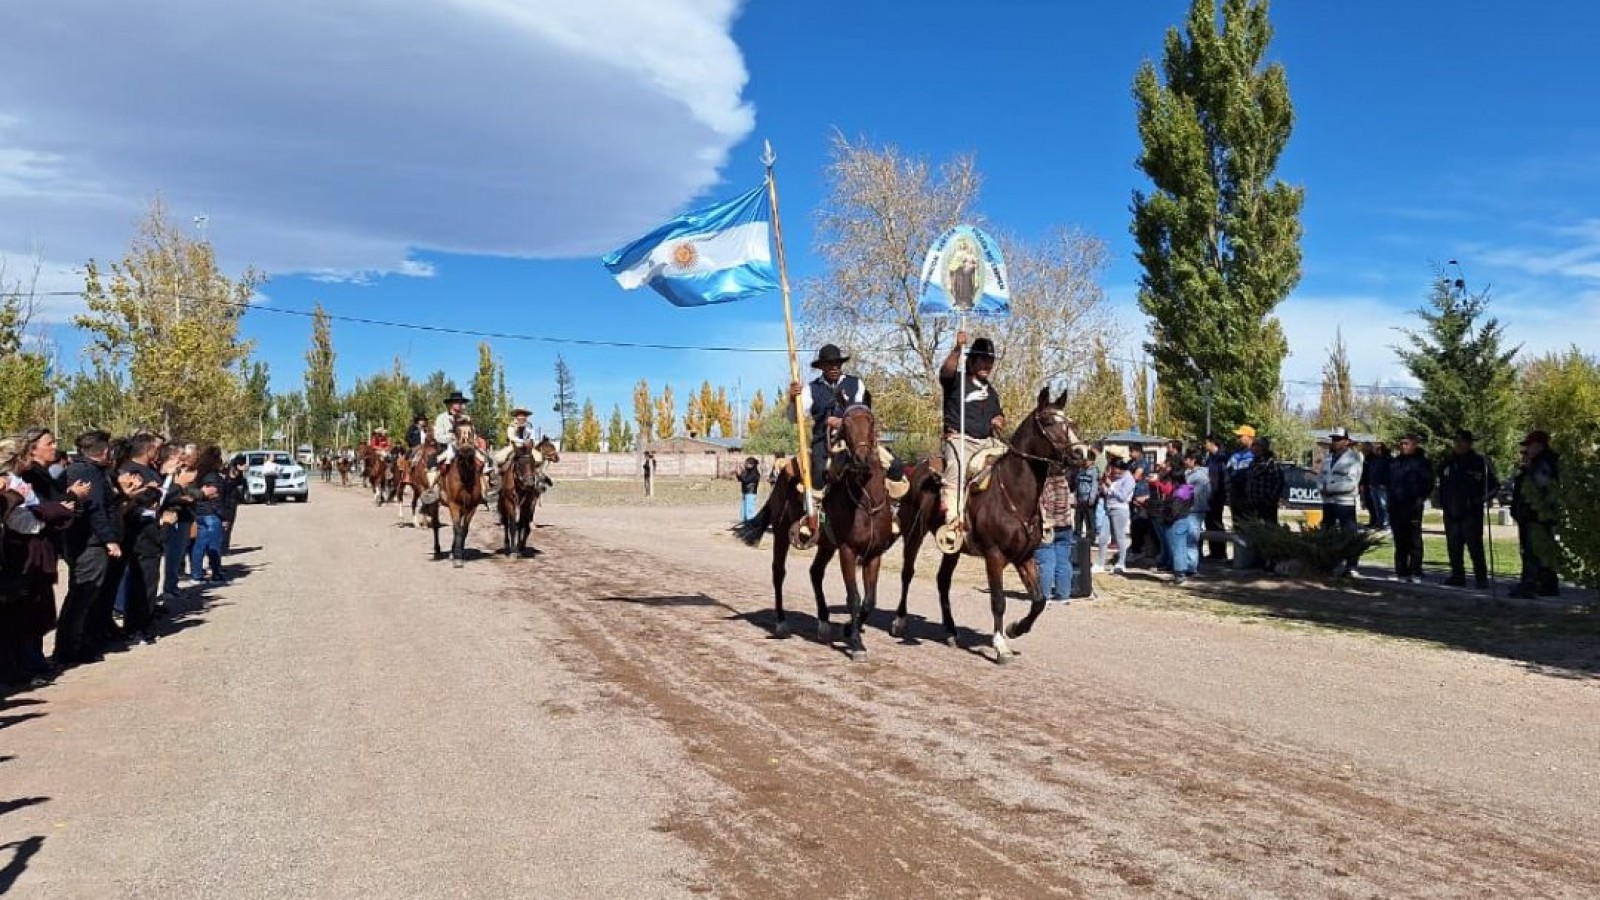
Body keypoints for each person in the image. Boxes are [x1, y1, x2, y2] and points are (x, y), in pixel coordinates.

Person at [1, 432, 85, 686]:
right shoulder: (9, 483)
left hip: (36, 551)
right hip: (20, 553)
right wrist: (55, 510)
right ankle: (18, 667)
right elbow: (22, 520)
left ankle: (28, 663)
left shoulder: (22, 480)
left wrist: (51, 511)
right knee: (20, 613)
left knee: (34, 610)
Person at [787, 343, 905, 498]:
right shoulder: (810, 388)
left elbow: (861, 410)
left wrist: (842, 422)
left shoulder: (856, 383)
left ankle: (890, 504)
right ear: (822, 366)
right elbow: (794, 418)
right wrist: (793, 399)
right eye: (830, 364)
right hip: (824, 441)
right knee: (818, 472)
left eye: (838, 363)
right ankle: (817, 510)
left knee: (896, 466)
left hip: (856, 439)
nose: (835, 367)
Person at [55, 430, 124, 667]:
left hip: (90, 542)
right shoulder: (85, 472)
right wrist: (109, 539)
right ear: (104, 451)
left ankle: (83, 641)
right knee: (82, 596)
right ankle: (70, 649)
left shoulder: (92, 470)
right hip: (88, 544)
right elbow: (95, 510)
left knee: (89, 596)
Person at [936, 332, 1005, 551]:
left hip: (986, 441)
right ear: (972, 360)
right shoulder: (956, 380)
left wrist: (998, 419)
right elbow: (945, 372)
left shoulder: (991, 391)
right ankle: (953, 522)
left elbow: (998, 413)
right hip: (959, 439)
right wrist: (957, 348)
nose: (988, 365)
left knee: (1013, 461)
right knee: (956, 468)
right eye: (983, 359)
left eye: (990, 361)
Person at [117, 433, 168, 645]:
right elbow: (131, 502)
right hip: (138, 535)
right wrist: (148, 498)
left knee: (149, 582)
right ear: (147, 450)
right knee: (140, 583)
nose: (158, 453)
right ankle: (136, 627)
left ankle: (145, 622)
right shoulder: (130, 470)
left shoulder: (152, 471)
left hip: (153, 534)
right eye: (156, 449)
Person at [1437, 429, 1499, 589]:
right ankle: (1457, 575)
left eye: (1462, 441)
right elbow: (1441, 482)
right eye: (1456, 441)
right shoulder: (1448, 462)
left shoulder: (1480, 462)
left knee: (1474, 546)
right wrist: (1442, 501)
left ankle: (1481, 577)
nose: (1458, 444)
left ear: (1469, 443)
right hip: (1451, 511)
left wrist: (1478, 501)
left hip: (1471, 512)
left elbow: (1494, 486)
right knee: (1454, 546)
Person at [1510, 430, 1561, 599]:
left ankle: (1532, 584)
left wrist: (1528, 470)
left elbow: (1541, 492)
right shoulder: (1538, 464)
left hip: (1536, 517)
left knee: (1534, 551)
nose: (1527, 451)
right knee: (1536, 551)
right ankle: (1544, 584)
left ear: (1539, 446)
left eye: (1529, 446)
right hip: (1531, 517)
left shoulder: (1543, 465)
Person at [1386, 433, 1435, 584]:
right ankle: (1401, 570)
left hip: (1413, 506)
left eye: (1406, 443)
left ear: (1414, 444)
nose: (1403, 446)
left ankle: (1416, 571)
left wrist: (1420, 499)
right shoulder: (1394, 463)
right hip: (1396, 506)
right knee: (1400, 540)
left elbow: (1428, 483)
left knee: (1414, 539)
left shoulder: (1422, 463)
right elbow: (1389, 482)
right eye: (1401, 443)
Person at [1034, 463, 1076, 603]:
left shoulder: (1044, 485)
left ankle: (1044, 596)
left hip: (1048, 527)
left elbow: (1043, 505)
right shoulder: (1064, 483)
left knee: (1046, 562)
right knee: (1063, 561)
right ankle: (1063, 594)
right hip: (1065, 525)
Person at [1169, 449, 1211, 586]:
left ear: (1194, 460)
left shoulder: (1200, 477)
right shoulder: (1189, 474)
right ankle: (1186, 567)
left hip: (1195, 510)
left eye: (1187, 459)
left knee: (1191, 540)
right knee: (1187, 540)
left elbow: (1187, 494)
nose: (1185, 461)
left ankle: (1191, 568)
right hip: (1189, 510)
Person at [189, 447, 229, 584]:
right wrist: (224, 517)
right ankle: (216, 574)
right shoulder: (213, 477)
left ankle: (196, 574)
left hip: (200, 513)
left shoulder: (199, 475)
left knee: (199, 546)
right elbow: (216, 499)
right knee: (214, 546)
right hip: (212, 514)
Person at [1317, 427, 1363, 530]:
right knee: (1326, 532)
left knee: (1348, 534)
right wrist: (1321, 488)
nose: (1335, 442)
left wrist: (1328, 488)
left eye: (1338, 439)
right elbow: (1321, 477)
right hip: (1328, 501)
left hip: (1345, 502)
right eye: (1334, 439)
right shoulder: (1328, 458)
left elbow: (1351, 483)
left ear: (1347, 441)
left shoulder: (1354, 458)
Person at [1098, 457, 1135, 575]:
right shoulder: (1113, 477)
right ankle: (1100, 563)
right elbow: (1107, 492)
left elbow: (1123, 496)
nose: (1115, 473)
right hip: (1108, 508)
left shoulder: (1128, 479)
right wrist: (1105, 485)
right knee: (1103, 537)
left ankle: (1121, 562)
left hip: (1120, 509)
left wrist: (1111, 486)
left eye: (1117, 470)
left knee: (1120, 537)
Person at [1225, 425, 1258, 546]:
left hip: (1247, 496)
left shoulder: (1254, 455)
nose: (1237, 439)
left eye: (1240, 436)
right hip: (1235, 495)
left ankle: (1249, 555)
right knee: (1237, 525)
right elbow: (1228, 471)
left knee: (1248, 525)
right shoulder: (1235, 454)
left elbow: (1246, 475)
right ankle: (1239, 556)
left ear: (1249, 437)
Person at [1203, 435, 1230, 562]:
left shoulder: (1222, 458)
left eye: (1206, 443)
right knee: (1209, 523)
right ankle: (1214, 551)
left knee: (1217, 523)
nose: (1205, 445)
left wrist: (1222, 494)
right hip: (1208, 496)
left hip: (1217, 496)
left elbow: (1224, 477)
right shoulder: (1210, 458)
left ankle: (1221, 553)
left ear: (1213, 443)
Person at [1364, 442, 1393, 530]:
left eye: (1376, 448)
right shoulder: (1373, 459)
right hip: (1373, 485)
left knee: (1384, 505)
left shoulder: (1388, 459)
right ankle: (1379, 522)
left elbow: (1389, 473)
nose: (1374, 450)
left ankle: (1386, 524)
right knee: (1376, 506)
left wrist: (1385, 483)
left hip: (1382, 486)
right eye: (1374, 448)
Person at [738, 457, 761, 522]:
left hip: (750, 494)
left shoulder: (755, 474)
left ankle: (750, 526)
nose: (745, 465)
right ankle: (745, 524)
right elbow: (740, 479)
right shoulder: (748, 472)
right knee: (743, 512)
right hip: (745, 493)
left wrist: (741, 472)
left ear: (752, 464)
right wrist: (738, 469)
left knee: (749, 511)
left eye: (747, 463)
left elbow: (745, 480)